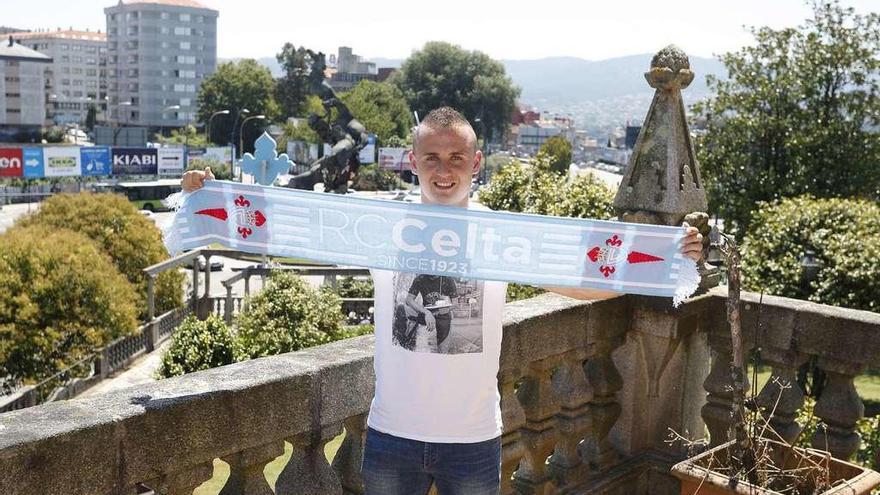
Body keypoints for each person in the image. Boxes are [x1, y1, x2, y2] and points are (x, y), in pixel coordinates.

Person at [181, 107, 704, 495]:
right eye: (431, 156)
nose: (444, 168)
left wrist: (671, 258)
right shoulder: (378, 228)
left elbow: (586, 281)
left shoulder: (502, 235)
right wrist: (203, 199)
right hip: (390, 436)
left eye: (457, 157)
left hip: (474, 441)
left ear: (475, 162)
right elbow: (277, 229)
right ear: (413, 161)